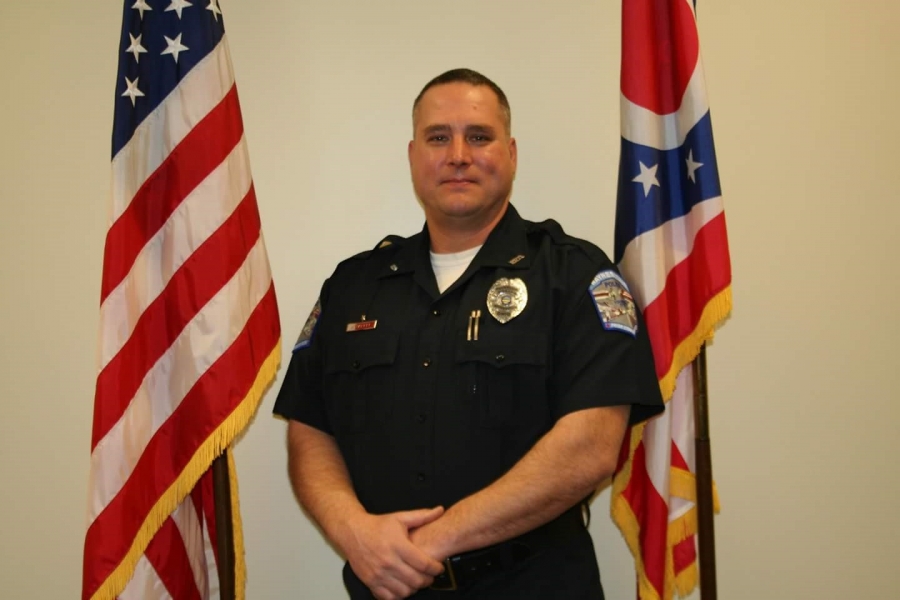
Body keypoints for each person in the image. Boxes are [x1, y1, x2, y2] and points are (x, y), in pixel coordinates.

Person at [273, 68, 664, 600]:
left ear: (511, 152)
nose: (458, 154)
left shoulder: (574, 275)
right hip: (384, 586)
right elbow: (310, 427)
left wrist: (429, 544)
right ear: (414, 155)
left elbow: (590, 448)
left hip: (533, 586)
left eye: (479, 136)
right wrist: (355, 534)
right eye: (439, 137)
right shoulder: (353, 286)